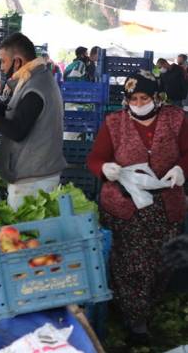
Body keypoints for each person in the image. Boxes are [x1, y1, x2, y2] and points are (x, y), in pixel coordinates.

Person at [87, 71, 187, 346]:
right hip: (124, 205)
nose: (140, 103)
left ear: (157, 98)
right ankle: (135, 321)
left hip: (165, 205)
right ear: (127, 99)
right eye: (134, 98)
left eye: (145, 98)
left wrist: (182, 169)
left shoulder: (175, 119)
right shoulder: (114, 123)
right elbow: (95, 158)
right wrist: (105, 169)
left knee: (161, 263)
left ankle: (141, 310)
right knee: (130, 264)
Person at [0, 33, 66, 210]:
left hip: (34, 179)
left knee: (25, 234)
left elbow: (17, 131)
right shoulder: (33, 78)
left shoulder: (36, 87)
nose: (2, 67)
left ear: (18, 61)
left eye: (4, 61)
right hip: (33, 174)